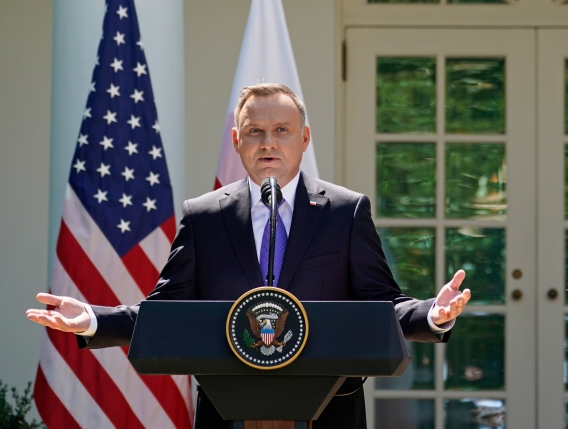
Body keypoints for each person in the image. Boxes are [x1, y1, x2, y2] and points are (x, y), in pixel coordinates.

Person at [27, 83, 470, 429]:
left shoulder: (344, 211)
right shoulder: (205, 217)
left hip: (329, 410)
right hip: (228, 409)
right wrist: (93, 319)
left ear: (305, 138)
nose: (268, 143)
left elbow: (381, 304)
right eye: (255, 132)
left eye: (282, 131)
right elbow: (165, 312)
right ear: (238, 141)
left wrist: (433, 313)